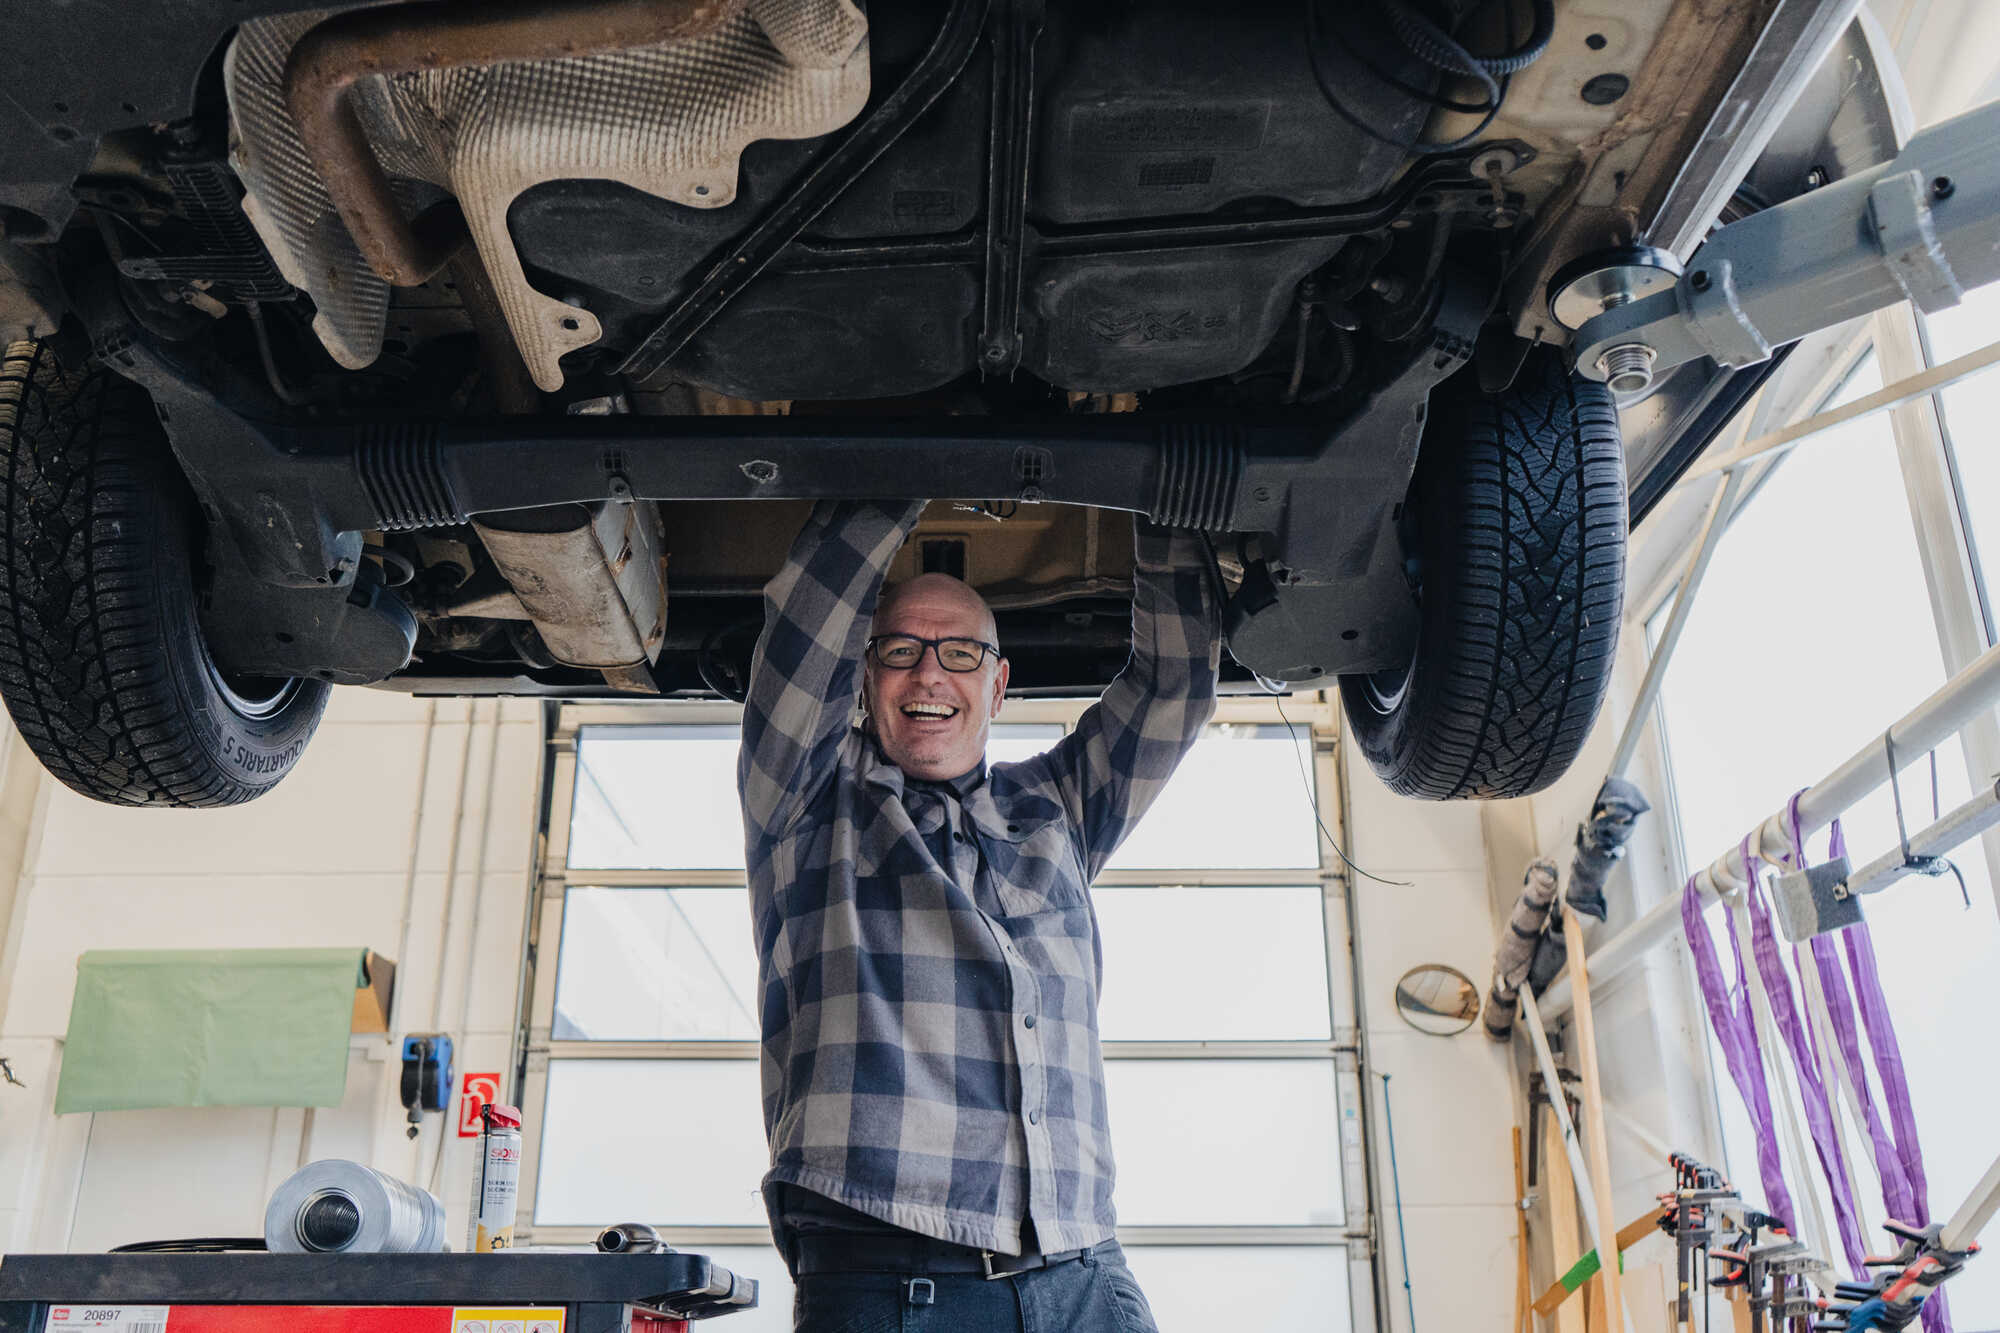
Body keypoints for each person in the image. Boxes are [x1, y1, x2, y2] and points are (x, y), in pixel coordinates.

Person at [737, 500, 1221, 1332]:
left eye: (960, 653)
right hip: (894, 1281)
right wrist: (921, 463)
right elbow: (804, 625)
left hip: (1083, 1272)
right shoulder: (809, 804)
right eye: (900, 651)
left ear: (997, 684)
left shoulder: (1055, 807)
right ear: (865, 676)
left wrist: (1162, 486)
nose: (930, 674)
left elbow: (1173, 688)